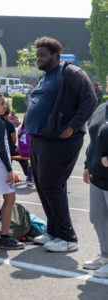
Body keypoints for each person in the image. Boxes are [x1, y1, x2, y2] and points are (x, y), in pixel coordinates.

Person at [25, 37, 97, 252]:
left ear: (55, 55)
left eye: (42, 55)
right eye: (37, 55)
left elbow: (89, 100)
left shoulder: (70, 73)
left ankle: (68, 237)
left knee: (52, 185)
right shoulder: (45, 76)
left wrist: (72, 127)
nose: (38, 58)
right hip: (40, 139)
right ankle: (54, 231)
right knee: (42, 184)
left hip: (60, 140)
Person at [0, 91, 25, 250]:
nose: (5, 106)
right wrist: (9, 169)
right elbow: (1, 147)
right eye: (1, 103)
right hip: (0, 163)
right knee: (10, 197)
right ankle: (6, 236)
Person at [83, 101, 108, 278]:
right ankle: (105, 255)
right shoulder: (101, 108)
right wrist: (87, 164)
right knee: (97, 216)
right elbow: (94, 139)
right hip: (97, 176)